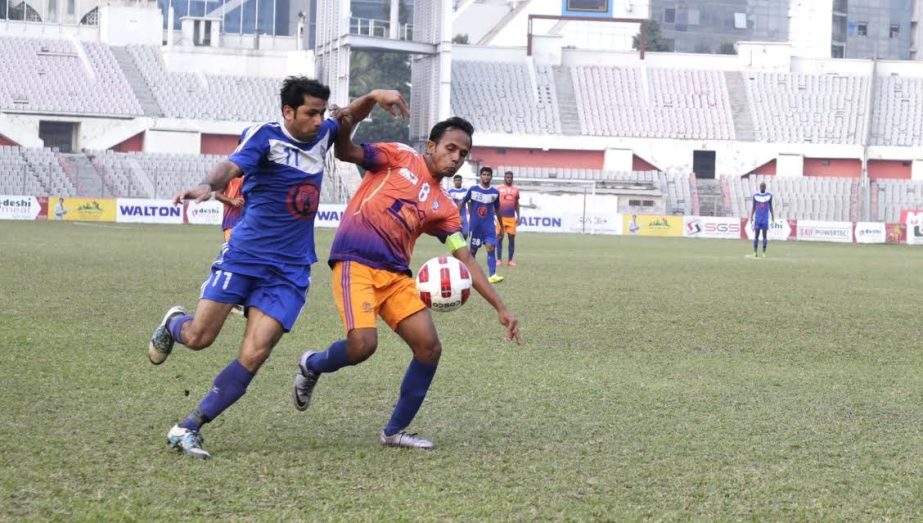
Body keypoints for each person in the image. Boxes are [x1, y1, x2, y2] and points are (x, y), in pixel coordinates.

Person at [146, 76, 408, 459]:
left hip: (291, 270)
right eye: (311, 113)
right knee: (199, 338)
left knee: (255, 354)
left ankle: (189, 427)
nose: (320, 121)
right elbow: (231, 167)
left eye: (322, 112)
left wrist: (371, 96)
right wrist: (205, 185)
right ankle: (173, 323)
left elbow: (347, 116)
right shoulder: (264, 138)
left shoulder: (323, 132)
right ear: (288, 112)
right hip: (245, 257)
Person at [292, 113, 521, 450]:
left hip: (396, 276)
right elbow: (346, 152)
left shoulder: (445, 207)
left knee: (429, 348)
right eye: (451, 148)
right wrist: (360, 108)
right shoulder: (399, 156)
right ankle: (312, 364)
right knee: (362, 346)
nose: (456, 157)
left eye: (463, 153)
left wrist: (501, 308)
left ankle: (395, 431)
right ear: (431, 146)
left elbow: (465, 258)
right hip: (355, 262)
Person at [461, 166, 504, 284]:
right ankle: (468, 274)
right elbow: (462, 202)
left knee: (491, 247)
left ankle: (492, 275)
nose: (486, 177)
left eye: (488, 175)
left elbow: (498, 210)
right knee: (473, 251)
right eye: (484, 174)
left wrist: (502, 226)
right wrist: (457, 216)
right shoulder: (473, 189)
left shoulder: (495, 193)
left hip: (489, 226)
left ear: (491, 176)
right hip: (476, 226)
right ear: (480, 176)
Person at [496, 170, 520, 266]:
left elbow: (517, 204)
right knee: (499, 238)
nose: (509, 179)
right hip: (501, 217)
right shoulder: (498, 188)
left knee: (511, 239)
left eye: (510, 177)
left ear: (512, 178)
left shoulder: (516, 190)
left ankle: (510, 260)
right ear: (504, 178)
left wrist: (519, 215)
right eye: (507, 177)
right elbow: (495, 202)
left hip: (511, 218)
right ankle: (499, 260)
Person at [214, 176, 244, 243]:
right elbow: (217, 195)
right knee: (231, 250)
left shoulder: (252, 175)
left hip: (248, 222)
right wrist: (232, 201)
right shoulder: (229, 176)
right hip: (231, 221)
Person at [750, 181, 773, 257]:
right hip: (757, 219)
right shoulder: (755, 196)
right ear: (759, 187)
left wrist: (773, 216)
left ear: (765, 188)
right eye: (761, 186)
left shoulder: (769, 196)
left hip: (765, 219)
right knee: (756, 236)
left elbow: (771, 207)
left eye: (763, 186)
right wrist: (751, 217)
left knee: (764, 236)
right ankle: (755, 252)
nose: (762, 188)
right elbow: (753, 207)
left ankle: (763, 252)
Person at [447, 173, 469, 240]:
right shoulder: (450, 191)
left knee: (465, 233)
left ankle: (463, 245)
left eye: (459, 180)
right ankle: (457, 248)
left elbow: (468, 202)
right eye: (456, 180)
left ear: (461, 181)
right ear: (453, 182)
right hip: (454, 214)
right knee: (454, 234)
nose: (457, 182)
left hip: (463, 214)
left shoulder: (466, 190)